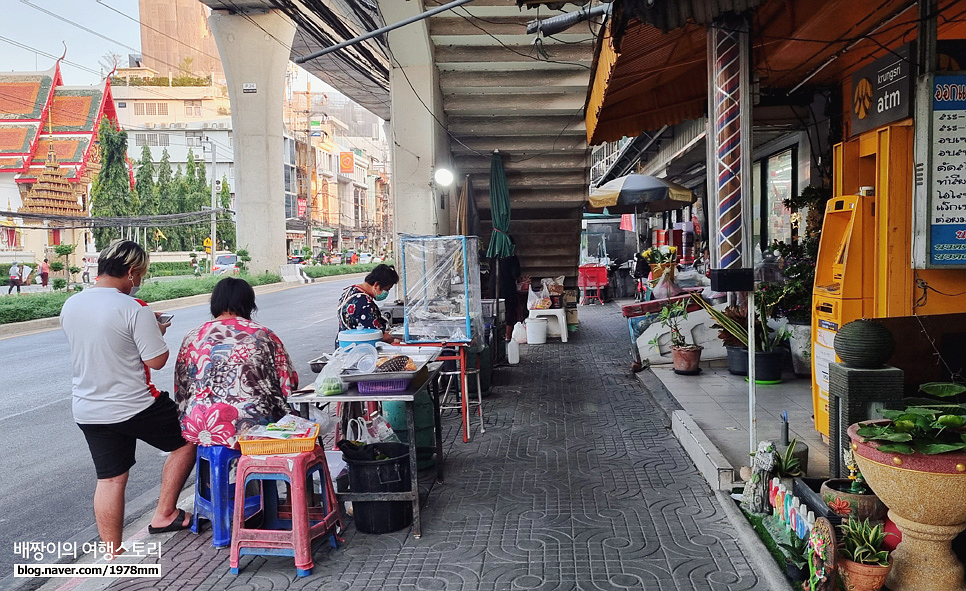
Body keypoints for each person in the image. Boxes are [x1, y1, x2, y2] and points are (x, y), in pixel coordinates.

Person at [60, 240, 195, 555]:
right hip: (135, 403)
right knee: (188, 438)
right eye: (141, 275)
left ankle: (113, 553)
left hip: (88, 408)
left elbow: (103, 342)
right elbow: (156, 361)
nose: (140, 282)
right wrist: (155, 329)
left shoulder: (71, 305)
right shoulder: (134, 308)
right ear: (132, 272)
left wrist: (142, 327)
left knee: (110, 479)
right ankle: (165, 514)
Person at [174, 277, 297, 448]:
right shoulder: (263, 335)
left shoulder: (193, 336)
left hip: (199, 424)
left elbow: (181, 388)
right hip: (252, 426)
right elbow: (288, 383)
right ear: (249, 304)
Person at [337, 263, 399, 344]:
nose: (386, 293)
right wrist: (398, 337)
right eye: (386, 289)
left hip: (343, 344)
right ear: (376, 284)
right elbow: (378, 335)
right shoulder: (365, 304)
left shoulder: (350, 291)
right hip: (357, 348)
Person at [497, 236, 521, 341]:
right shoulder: (512, 258)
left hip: (495, 289)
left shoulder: (494, 257)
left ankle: (497, 336)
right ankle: (508, 336)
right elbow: (515, 274)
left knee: (496, 312)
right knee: (509, 311)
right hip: (508, 288)